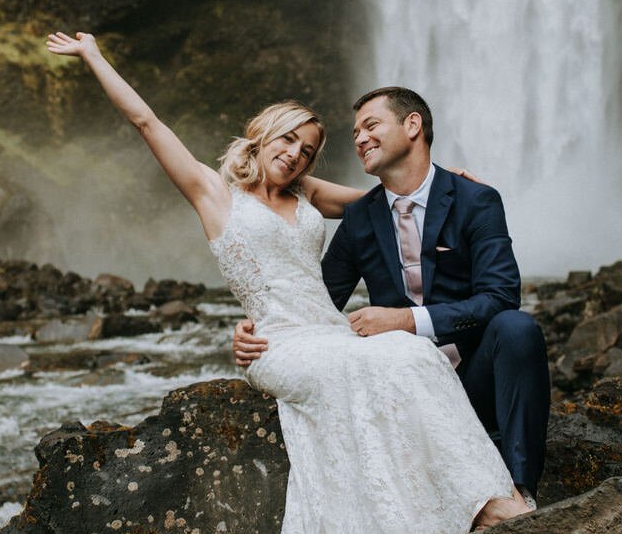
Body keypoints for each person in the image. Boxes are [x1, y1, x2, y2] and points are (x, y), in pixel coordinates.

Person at [45, 31, 530, 534]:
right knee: (372, 368)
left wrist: (449, 179)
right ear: (263, 133)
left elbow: (385, 194)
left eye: (308, 148)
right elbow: (145, 122)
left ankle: (479, 516)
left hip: (331, 336)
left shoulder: (307, 193)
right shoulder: (213, 192)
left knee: (408, 356)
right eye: (290, 140)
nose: (298, 154)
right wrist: (92, 55)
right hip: (278, 343)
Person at [234, 87, 552, 503]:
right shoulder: (361, 217)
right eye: (355, 134)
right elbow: (314, 300)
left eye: (371, 126)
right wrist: (256, 329)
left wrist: (405, 320)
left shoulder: (476, 200)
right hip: (400, 388)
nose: (360, 139)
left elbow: (501, 296)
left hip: (473, 377)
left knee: (517, 327)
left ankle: (521, 492)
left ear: (413, 125)